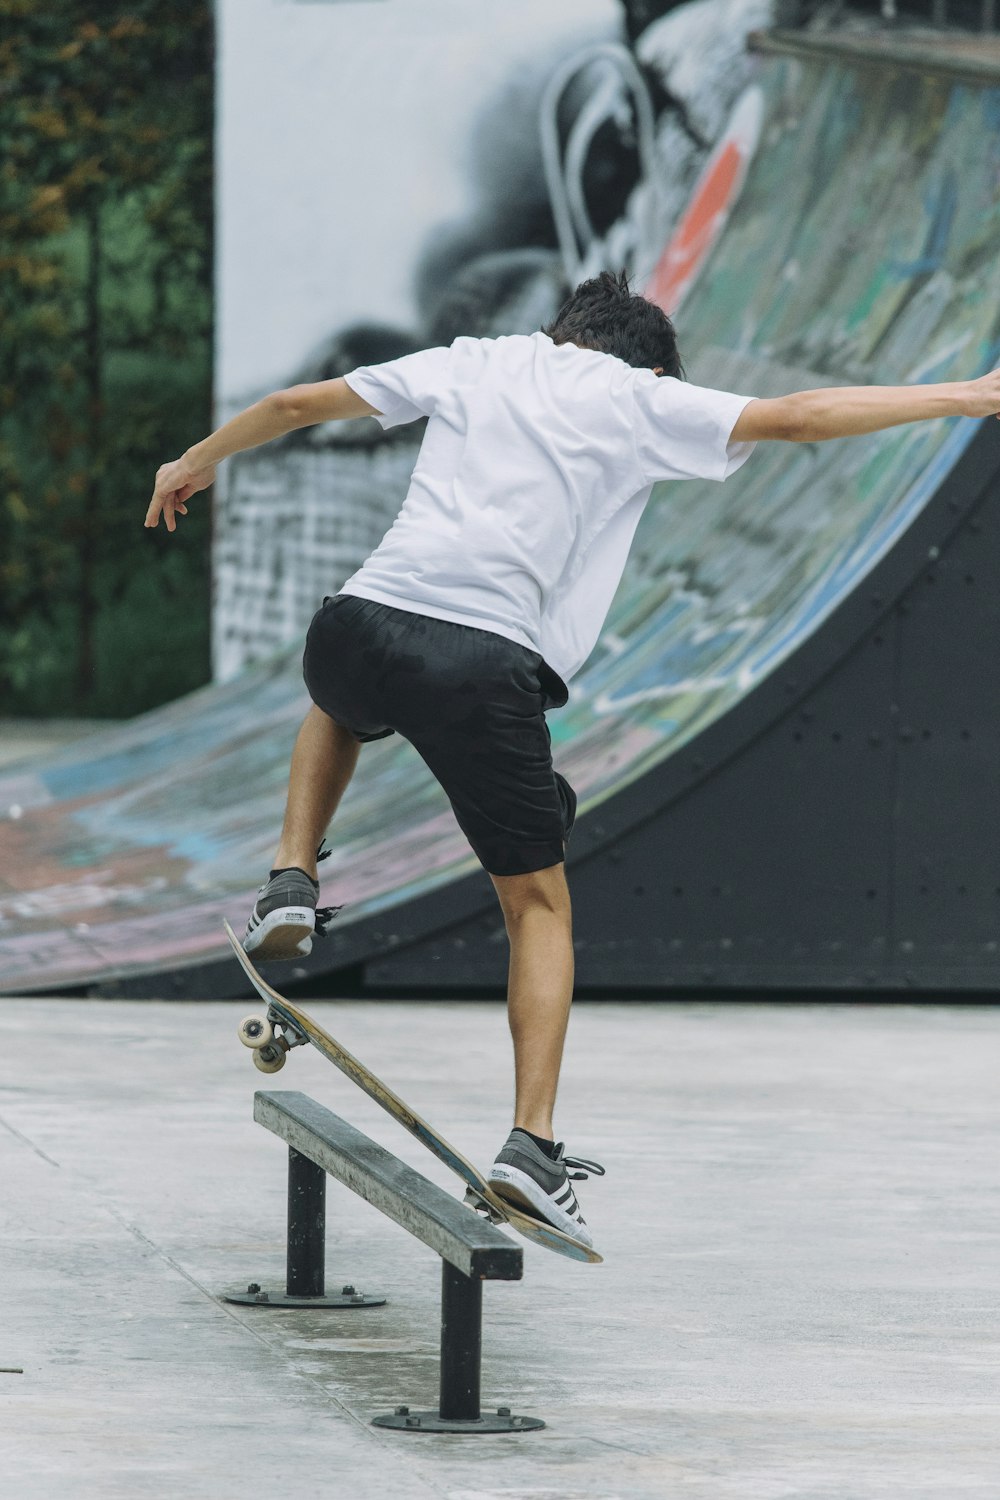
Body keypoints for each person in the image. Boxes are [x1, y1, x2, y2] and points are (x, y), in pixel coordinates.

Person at [146, 269, 1000, 1245]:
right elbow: (800, 416)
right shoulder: (640, 398)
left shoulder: (480, 361)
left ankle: (291, 877)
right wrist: (967, 396)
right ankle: (531, 1145)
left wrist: (196, 458)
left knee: (335, 700)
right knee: (538, 906)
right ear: (646, 359)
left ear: (561, 332)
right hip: (482, 662)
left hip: (360, 623)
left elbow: (298, 403)